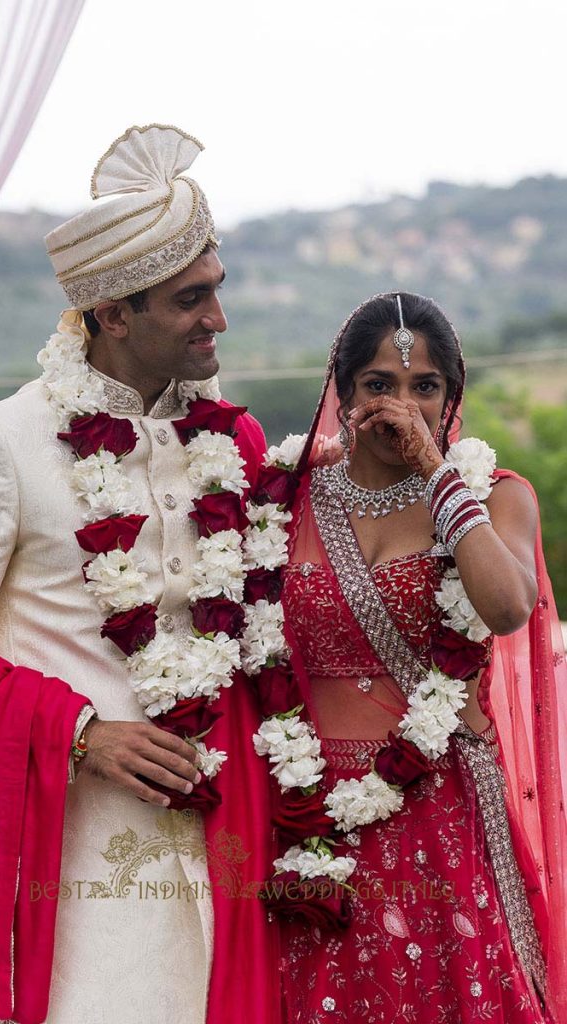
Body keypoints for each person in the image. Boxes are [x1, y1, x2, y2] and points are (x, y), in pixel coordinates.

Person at [0, 124, 278, 1024]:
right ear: (113, 314)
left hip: (235, 846)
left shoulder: (231, 441)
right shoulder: (3, 440)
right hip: (82, 859)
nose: (217, 320)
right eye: (190, 300)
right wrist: (79, 732)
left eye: (216, 291)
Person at [250, 293, 567, 1022]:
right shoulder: (283, 500)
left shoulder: (493, 497)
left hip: (438, 800)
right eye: (378, 384)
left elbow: (507, 608)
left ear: (450, 396)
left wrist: (434, 469)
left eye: (424, 386)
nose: (402, 403)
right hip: (307, 808)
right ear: (343, 393)